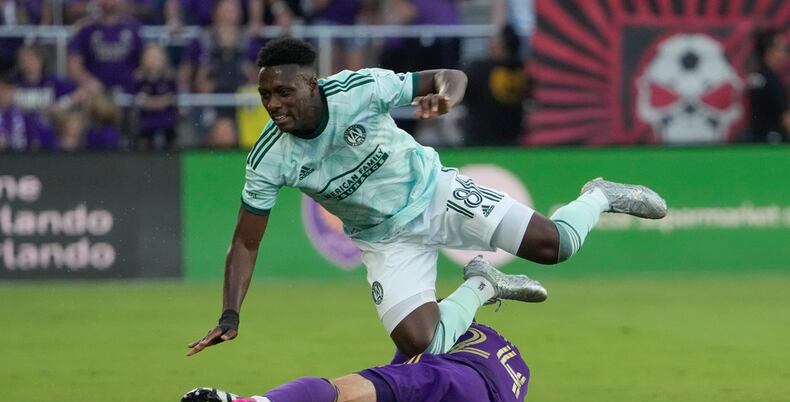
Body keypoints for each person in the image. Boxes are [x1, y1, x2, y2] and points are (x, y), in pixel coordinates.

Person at [186, 37, 667, 360]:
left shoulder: (361, 87)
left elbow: (449, 75)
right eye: (265, 94)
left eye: (284, 91)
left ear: (312, 83)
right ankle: (483, 283)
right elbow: (245, 243)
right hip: (383, 239)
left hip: (437, 193)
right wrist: (230, 313)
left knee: (555, 246)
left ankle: (600, 194)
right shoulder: (269, 158)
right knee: (421, 343)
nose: (273, 104)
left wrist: (447, 98)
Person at [182, 320, 530, 402]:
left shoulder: (442, 318)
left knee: (337, 393)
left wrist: (480, 284)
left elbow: (410, 350)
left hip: (442, 376)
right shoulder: (521, 370)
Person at [463, 24, 529, 146]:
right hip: (513, 139)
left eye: (494, 40)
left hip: (479, 140)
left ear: (500, 46)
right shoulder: (524, 71)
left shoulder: (479, 70)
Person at [748, 29, 790, 143]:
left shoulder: (756, 77)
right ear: (769, 52)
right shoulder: (772, 81)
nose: (785, 54)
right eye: (781, 49)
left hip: (755, 141)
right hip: (773, 143)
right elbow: (786, 118)